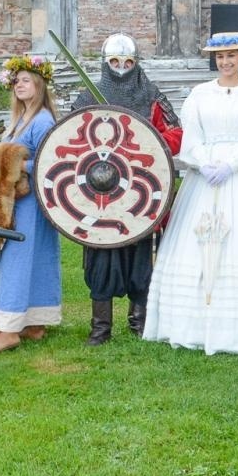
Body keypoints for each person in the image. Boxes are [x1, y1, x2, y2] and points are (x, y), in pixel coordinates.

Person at [144, 31, 238, 355]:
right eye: (221, 57)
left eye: (232, 56)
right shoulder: (200, 94)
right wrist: (202, 162)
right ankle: (189, 322)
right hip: (205, 175)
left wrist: (234, 164)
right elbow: (191, 137)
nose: (226, 62)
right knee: (194, 243)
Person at [68, 32, 181, 344]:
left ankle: (139, 321)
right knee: (101, 255)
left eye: (127, 61)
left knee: (140, 255)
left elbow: (175, 134)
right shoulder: (88, 97)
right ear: (105, 63)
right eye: (114, 61)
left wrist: (145, 143)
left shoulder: (151, 95)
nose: (120, 67)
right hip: (98, 192)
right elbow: (68, 140)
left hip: (138, 191)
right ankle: (100, 327)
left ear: (136, 63)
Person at [0, 55, 62, 354]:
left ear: (39, 85)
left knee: (15, 257)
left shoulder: (43, 121)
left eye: (26, 80)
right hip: (17, 201)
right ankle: (34, 323)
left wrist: (14, 166)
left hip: (30, 202)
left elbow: (49, 161)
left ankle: (7, 331)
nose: (19, 85)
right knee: (32, 255)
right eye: (16, 81)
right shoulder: (20, 119)